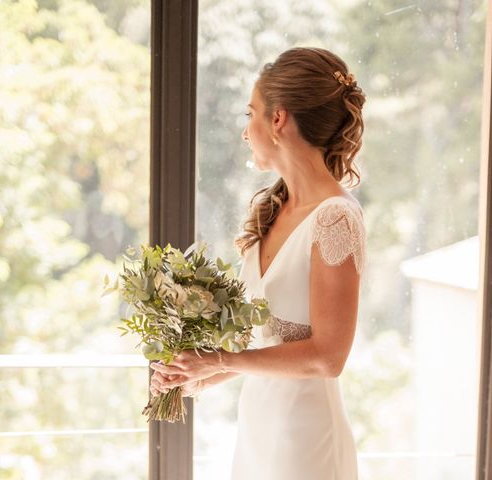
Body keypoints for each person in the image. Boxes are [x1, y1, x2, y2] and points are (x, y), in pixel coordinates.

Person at [149, 46, 367, 480]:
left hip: (306, 442)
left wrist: (218, 360)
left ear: (278, 119)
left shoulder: (336, 217)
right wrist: (195, 376)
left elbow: (327, 357)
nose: (245, 132)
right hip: (258, 432)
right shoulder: (277, 207)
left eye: (250, 114)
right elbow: (269, 345)